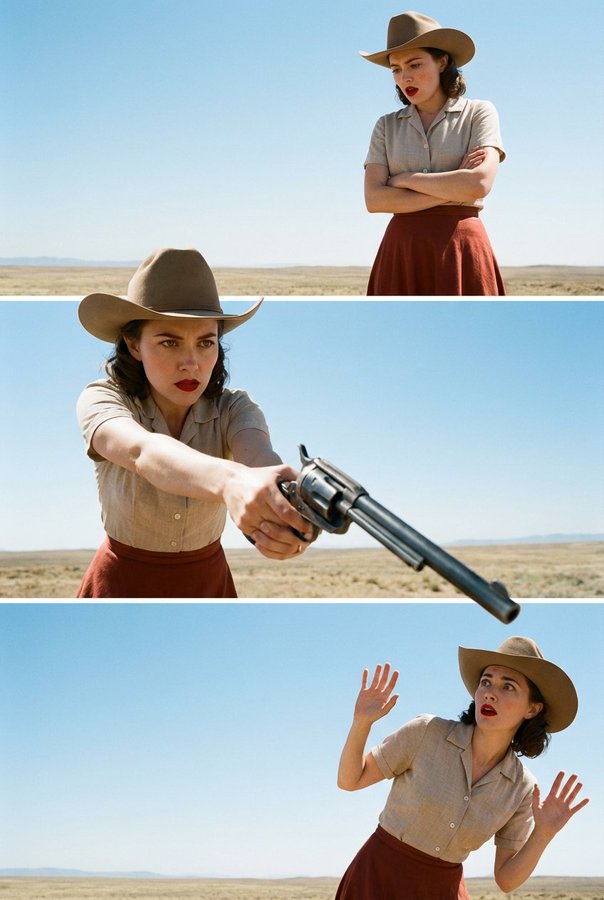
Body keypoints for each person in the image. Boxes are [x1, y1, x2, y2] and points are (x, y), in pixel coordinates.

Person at [76, 247, 313, 599]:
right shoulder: (102, 399)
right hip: (120, 583)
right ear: (133, 344)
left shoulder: (235, 406)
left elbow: (260, 459)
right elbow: (143, 452)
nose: (191, 363)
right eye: (169, 342)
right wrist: (233, 481)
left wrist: (291, 514)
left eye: (206, 342)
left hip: (208, 582)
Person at [336, 636, 589, 899]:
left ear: (532, 709)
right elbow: (350, 780)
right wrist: (361, 723)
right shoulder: (426, 732)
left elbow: (506, 880)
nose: (490, 692)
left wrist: (543, 834)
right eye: (486, 682)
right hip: (377, 879)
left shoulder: (522, 788)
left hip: (442, 890)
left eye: (508, 687)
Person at [360, 11, 506, 295]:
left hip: (462, 245)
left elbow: (479, 184)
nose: (405, 77)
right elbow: (374, 200)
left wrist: (403, 179)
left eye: (415, 64)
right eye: (396, 69)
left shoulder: (479, 112)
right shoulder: (385, 125)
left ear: (442, 62)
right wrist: (455, 186)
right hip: (402, 249)